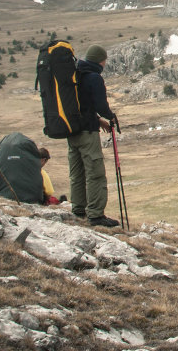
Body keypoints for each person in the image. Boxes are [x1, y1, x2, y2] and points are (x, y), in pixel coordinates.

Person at [69, 44, 120, 227]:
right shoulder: (94, 78)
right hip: (87, 132)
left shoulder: (75, 74)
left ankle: (78, 209)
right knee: (95, 172)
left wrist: (99, 120)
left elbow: (82, 105)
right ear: (101, 61)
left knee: (77, 173)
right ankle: (96, 214)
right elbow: (100, 105)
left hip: (72, 130)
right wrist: (110, 116)